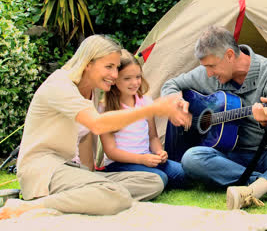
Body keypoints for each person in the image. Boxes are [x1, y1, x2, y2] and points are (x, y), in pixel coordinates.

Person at [0, 35, 191, 219]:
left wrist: (88, 174)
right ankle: (31, 206)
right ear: (88, 63)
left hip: (71, 169)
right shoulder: (60, 86)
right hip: (45, 169)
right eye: (109, 67)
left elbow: (85, 138)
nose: (114, 75)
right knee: (117, 195)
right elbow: (97, 125)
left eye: (116, 68)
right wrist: (154, 108)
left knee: (153, 182)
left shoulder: (90, 92)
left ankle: (90, 195)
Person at [161, 25, 267, 210]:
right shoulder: (207, 75)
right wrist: (176, 103)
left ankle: (259, 187)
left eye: (211, 66)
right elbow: (171, 84)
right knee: (192, 158)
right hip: (229, 159)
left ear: (230, 55)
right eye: (205, 67)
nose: (208, 74)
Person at [100, 50, 186, 189]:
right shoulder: (105, 108)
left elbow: (153, 137)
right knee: (160, 177)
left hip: (146, 158)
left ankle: (149, 177)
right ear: (115, 79)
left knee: (182, 174)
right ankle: (116, 181)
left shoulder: (145, 102)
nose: (135, 83)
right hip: (120, 163)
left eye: (138, 77)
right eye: (127, 78)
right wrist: (141, 159)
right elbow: (111, 151)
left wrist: (159, 152)